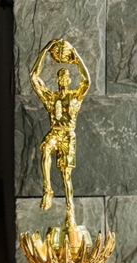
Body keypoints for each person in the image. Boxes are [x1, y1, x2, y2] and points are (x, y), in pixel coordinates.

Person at [30, 39, 90, 226]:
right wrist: (46, 49)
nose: (63, 80)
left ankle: (70, 212)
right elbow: (34, 77)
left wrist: (75, 55)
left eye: (65, 77)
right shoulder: (51, 97)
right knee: (46, 148)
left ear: (69, 81)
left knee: (66, 175)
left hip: (68, 135)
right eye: (60, 77)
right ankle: (47, 189)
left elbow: (86, 81)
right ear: (57, 80)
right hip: (55, 132)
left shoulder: (75, 97)